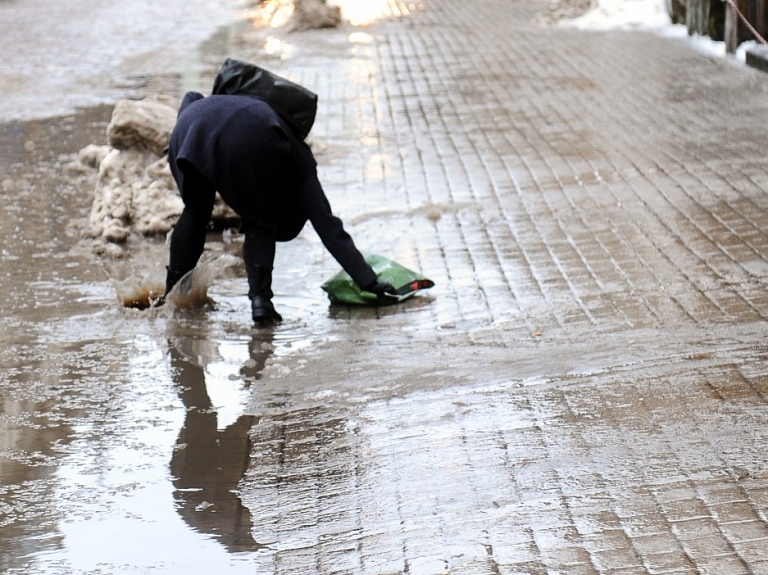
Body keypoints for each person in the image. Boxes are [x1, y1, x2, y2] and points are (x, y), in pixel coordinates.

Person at [163, 91, 395, 324]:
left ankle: (172, 295)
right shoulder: (297, 153)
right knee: (262, 219)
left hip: (187, 131)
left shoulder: (246, 103)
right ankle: (261, 302)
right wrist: (368, 281)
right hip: (240, 138)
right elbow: (328, 225)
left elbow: (191, 96)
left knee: (196, 210)